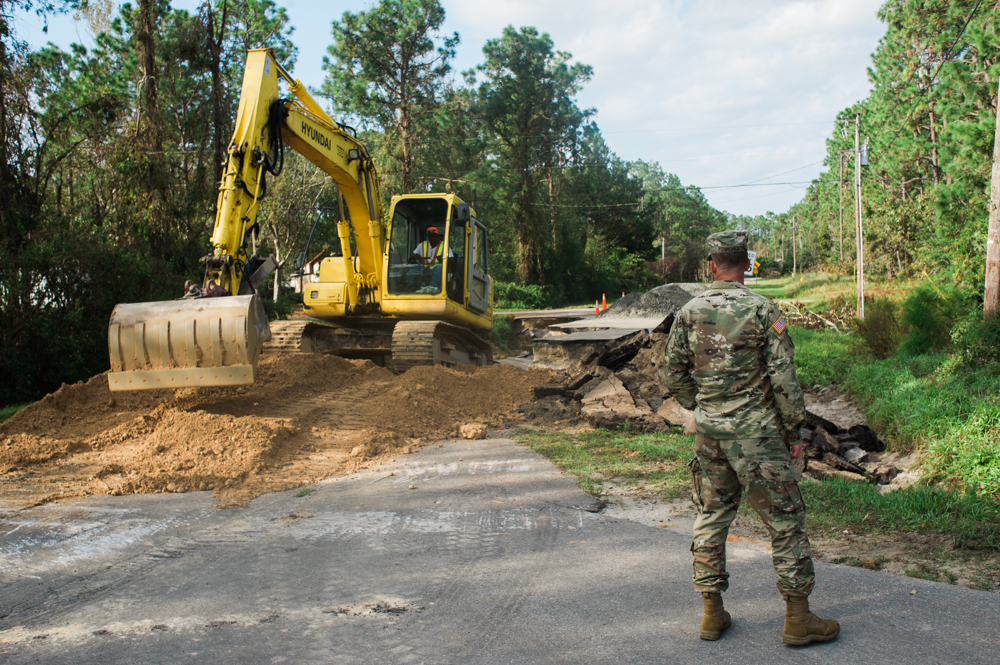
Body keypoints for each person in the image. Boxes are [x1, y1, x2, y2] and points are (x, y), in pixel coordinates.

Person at [663, 230, 839, 646]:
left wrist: (700, 406)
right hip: (757, 436)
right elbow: (783, 377)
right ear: (746, 264)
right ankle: (798, 619)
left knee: (712, 516)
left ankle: (711, 614)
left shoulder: (689, 311)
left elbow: (672, 372)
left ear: (712, 264)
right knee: (785, 521)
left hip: (710, 435)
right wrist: (794, 429)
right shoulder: (763, 310)